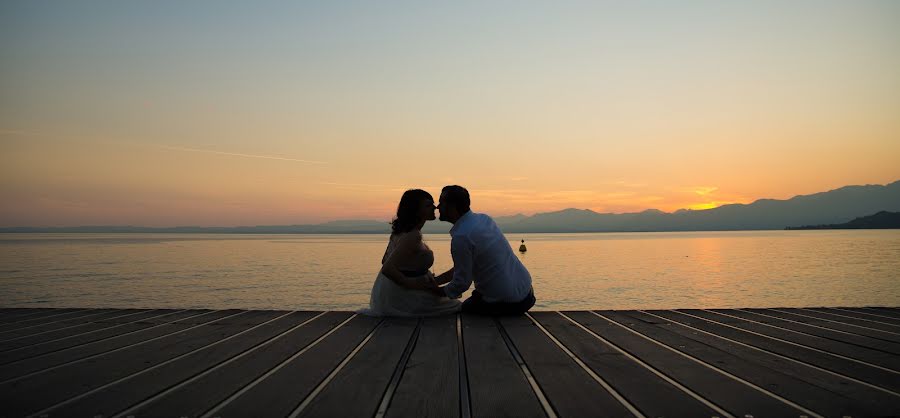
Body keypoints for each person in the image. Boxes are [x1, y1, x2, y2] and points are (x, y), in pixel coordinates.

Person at [432, 185, 536, 315]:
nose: (438, 206)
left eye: (441, 202)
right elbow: (463, 269)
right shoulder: (484, 219)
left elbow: (462, 283)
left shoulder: (461, 237)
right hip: (528, 294)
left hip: (508, 303)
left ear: (452, 207)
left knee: (460, 309)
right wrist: (435, 282)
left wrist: (432, 291)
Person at [358, 189, 461, 317]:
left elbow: (385, 260)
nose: (434, 207)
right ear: (416, 210)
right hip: (403, 296)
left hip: (390, 292)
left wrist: (416, 272)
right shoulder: (413, 235)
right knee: (456, 306)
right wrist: (413, 284)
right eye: (428, 205)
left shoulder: (402, 231)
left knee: (452, 304)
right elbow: (387, 268)